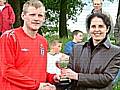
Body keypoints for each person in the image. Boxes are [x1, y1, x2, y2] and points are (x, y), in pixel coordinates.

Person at [0, 0, 59, 90]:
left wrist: (52, 78)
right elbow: (7, 71)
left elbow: (36, 71)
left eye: (40, 15)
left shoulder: (43, 41)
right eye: (32, 15)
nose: (36, 18)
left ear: (44, 18)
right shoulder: (9, 37)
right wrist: (37, 85)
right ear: (23, 16)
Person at [62, 13, 120, 90]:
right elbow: (70, 71)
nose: (96, 30)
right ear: (89, 29)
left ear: (107, 29)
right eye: (93, 26)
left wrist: (78, 77)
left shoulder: (115, 52)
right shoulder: (77, 48)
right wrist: (63, 77)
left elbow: (107, 78)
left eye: (101, 26)